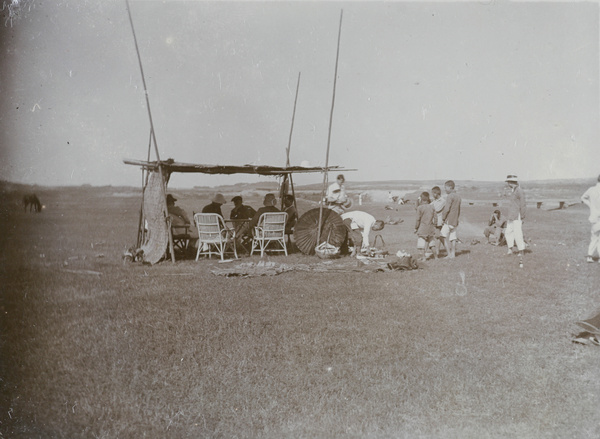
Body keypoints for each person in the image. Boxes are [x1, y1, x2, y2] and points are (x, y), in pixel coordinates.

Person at [504, 175, 526, 266]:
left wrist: (523, 216)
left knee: (518, 234)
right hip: (511, 216)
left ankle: (521, 251)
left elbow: (523, 204)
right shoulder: (513, 191)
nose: (508, 184)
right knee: (508, 232)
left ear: (511, 182)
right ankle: (510, 249)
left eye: (508, 182)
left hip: (517, 216)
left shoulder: (519, 191)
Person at [581, 174, 600, 263]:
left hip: (594, 216)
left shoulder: (591, 189)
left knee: (594, 236)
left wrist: (590, 206)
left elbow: (583, 198)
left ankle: (589, 256)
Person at [441, 180, 461, 258]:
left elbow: (446, 209)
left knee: (442, 236)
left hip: (448, 220)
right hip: (455, 220)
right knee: (453, 237)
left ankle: (449, 254)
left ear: (450, 187)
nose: (445, 189)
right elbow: (458, 210)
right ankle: (453, 254)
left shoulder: (450, 196)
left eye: (445, 187)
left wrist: (443, 219)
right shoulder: (458, 197)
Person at [414, 192, 437, 261]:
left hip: (422, 228)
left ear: (421, 198)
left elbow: (418, 219)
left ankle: (424, 257)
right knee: (431, 243)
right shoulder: (432, 206)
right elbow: (436, 218)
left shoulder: (420, 208)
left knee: (421, 244)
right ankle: (436, 257)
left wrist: (416, 228)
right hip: (430, 228)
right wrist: (435, 225)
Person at [431, 186, 446, 256]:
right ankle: (447, 249)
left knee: (438, 237)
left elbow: (436, 209)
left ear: (436, 193)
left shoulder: (442, 201)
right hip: (435, 220)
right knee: (439, 236)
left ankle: (438, 251)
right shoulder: (435, 200)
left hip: (439, 221)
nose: (432, 195)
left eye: (433, 193)